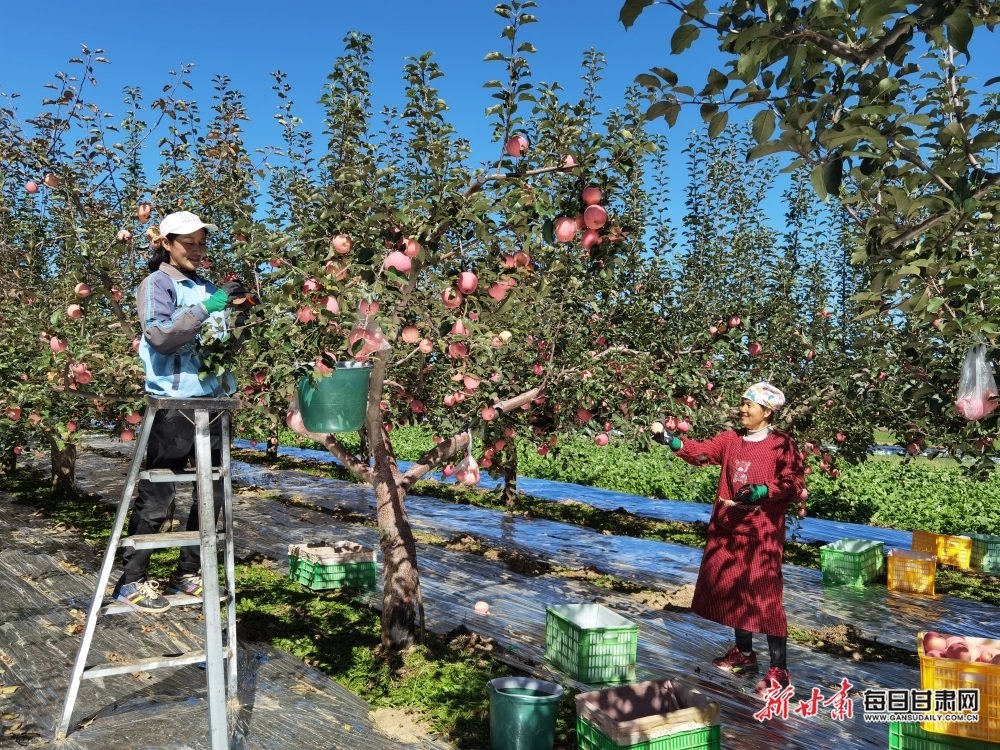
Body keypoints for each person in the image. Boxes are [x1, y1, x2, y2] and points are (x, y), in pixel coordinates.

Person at [113, 210, 247, 613]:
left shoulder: (206, 286)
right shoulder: (156, 284)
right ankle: (131, 581)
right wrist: (211, 306)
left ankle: (189, 573)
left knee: (213, 494)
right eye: (189, 243)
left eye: (202, 243)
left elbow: (223, 344)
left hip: (216, 402)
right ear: (166, 244)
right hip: (176, 405)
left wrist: (240, 312)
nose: (197, 250)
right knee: (159, 496)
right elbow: (160, 336)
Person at [652, 382, 804, 697]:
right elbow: (701, 452)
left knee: (765, 597)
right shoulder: (732, 439)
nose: (743, 409)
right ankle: (744, 654)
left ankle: (780, 669)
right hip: (729, 529)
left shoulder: (781, 444)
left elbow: (793, 482)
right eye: (742, 403)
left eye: (749, 405)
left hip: (761, 534)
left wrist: (764, 491)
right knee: (735, 590)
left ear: (767, 411)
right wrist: (671, 440)